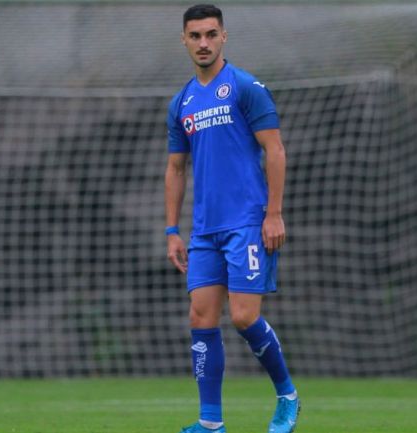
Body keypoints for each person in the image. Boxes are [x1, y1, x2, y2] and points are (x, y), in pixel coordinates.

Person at [164, 5, 300, 433]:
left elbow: (275, 150)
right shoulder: (181, 101)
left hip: (246, 223)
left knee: (242, 317)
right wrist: (172, 230)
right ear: (183, 41)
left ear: (224, 37)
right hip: (204, 230)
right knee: (200, 318)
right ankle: (210, 423)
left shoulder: (244, 87)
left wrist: (273, 213)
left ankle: (288, 396)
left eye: (210, 34)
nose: (203, 43)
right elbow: (175, 169)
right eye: (195, 36)